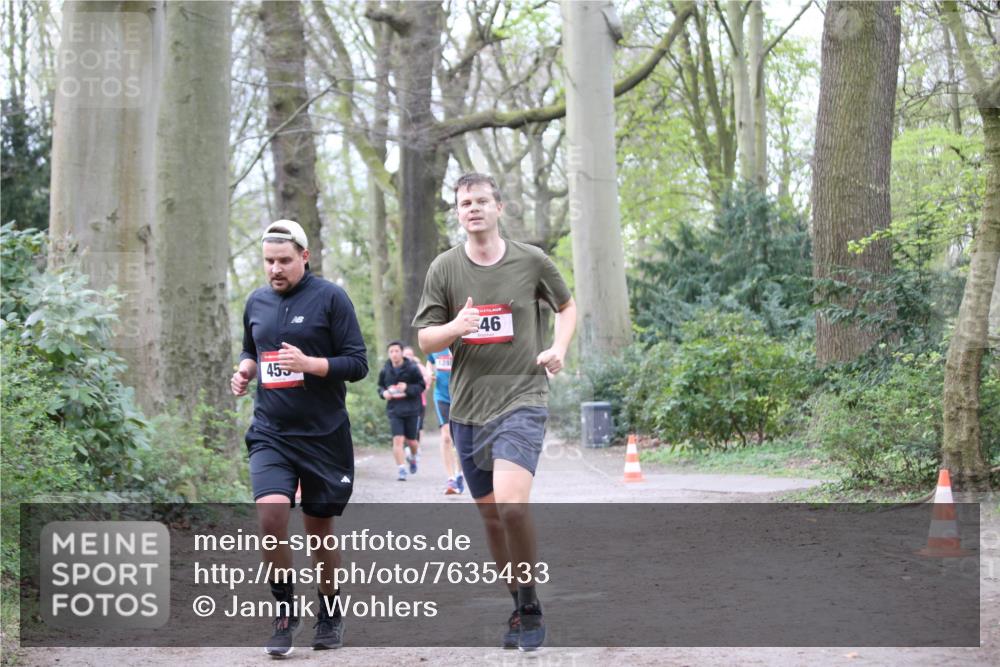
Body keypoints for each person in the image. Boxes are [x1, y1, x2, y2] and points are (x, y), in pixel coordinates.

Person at [413, 173, 576, 651]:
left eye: (482, 200)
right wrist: (456, 326)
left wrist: (558, 348)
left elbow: (566, 307)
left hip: (522, 397)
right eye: (465, 203)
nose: (474, 208)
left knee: (512, 505)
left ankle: (529, 608)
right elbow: (425, 337)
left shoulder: (531, 262)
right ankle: (520, 599)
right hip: (467, 408)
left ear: (499, 207)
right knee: (490, 517)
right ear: (458, 212)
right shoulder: (444, 269)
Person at [230, 219, 368, 656]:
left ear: (304, 257)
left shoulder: (331, 298)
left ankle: (329, 612)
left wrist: (312, 365)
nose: (275, 269)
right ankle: (284, 612)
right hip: (271, 431)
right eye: (269, 261)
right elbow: (251, 350)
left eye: (284, 261)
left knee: (318, 533)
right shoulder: (255, 301)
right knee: (271, 517)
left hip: (324, 434)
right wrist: (245, 370)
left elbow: (358, 363)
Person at [377, 340, 425, 480]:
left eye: (396, 351)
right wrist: (383, 393)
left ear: (402, 352)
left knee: (411, 441)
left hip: (411, 409)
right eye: (391, 351)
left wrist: (407, 389)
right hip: (394, 410)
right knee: (397, 439)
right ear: (388, 354)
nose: (394, 354)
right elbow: (380, 387)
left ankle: (414, 457)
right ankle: (401, 469)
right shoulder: (385, 370)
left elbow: (421, 386)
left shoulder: (412, 368)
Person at [426, 346, 464, 495]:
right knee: (446, 435)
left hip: (461, 396)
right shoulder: (436, 345)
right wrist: (429, 372)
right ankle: (451, 478)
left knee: (459, 437)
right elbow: (429, 362)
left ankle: (459, 472)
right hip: (441, 396)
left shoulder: (461, 344)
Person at [402, 345, 433, 445]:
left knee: (418, 424)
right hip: (402, 401)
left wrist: (425, 388)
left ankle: (416, 444)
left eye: (410, 354)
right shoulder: (398, 367)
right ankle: (407, 444)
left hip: (419, 400)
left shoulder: (418, 367)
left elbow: (428, 378)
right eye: (406, 354)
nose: (408, 356)